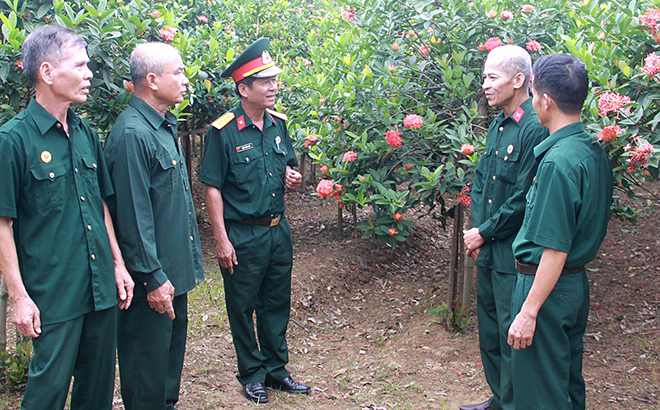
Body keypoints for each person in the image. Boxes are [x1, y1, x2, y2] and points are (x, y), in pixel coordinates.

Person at [0, 25, 134, 409]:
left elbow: (100, 205)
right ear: (46, 73)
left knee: (97, 392)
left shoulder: (85, 133)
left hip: (100, 289)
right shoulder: (13, 141)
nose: (90, 73)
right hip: (54, 293)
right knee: (48, 392)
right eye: (80, 65)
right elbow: (3, 223)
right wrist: (20, 297)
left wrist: (118, 264)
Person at [199, 38, 307, 404]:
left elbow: (288, 166)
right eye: (265, 81)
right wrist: (221, 239)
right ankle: (252, 373)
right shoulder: (223, 131)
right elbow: (212, 187)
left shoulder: (279, 124)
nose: (274, 86)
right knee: (242, 306)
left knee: (277, 302)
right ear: (244, 88)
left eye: (274, 79)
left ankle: (277, 370)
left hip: (279, 230)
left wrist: (293, 177)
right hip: (243, 234)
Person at [507, 54, 612, 410]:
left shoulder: (558, 162)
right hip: (571, 286)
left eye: (534, 94)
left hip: (545, 286)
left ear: (545, 101)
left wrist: (529, 310)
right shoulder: (591, 150)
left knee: (540, 393)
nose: (533, 102)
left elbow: (555, 247)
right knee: (565, 384)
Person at [103, 42, 204, 410]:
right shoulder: (132, 134)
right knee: (147, 375)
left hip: (171, 273)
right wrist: (153, 278)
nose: (185, 79)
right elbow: (132, 218)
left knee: (165, 375)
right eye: (177, 72)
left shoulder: (161, 126)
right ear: (151, 80)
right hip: (151, 282)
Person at [462, 45, 548, 410]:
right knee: (490, 332)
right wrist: (479, 229)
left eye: (492, 77)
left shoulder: (533, 128)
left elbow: (523, 195)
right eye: (484, 76)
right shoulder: (497, 124)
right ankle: (499, 399)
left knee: (511, 334)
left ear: (518, 80)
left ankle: (515, 403)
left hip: (514, 252)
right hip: (490, 248)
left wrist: (485, 231)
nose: (485, 84)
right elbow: (482, 182)